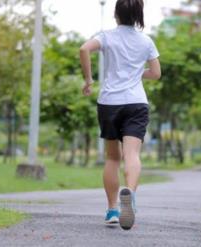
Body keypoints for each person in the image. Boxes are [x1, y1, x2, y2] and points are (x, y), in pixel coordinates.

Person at [79, 0, 161, 230]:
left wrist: (88, 80)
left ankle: (113, 209)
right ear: (138, 15)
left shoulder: (107, 37)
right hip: (136, 103)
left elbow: (83, 49)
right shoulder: (146, 41)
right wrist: (135, 72)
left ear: (116, 14)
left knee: (112, 158)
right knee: (132, 155)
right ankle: (131, 194)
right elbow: (156, 73)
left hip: (109, 103)